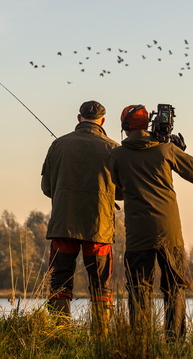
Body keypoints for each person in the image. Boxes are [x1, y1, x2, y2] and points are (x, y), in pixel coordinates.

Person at [109, 105, 193, 340]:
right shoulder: (166, 150)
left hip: (138, 233)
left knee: (138, 288)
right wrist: (179, 151)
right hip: (168, 230)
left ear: (125, 128)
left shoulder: (118, 155)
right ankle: (175, 340)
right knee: (174, 287)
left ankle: (140, 340)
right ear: (149, 124)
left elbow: (117, 192)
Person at [41, 100, 121, 334]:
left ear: (79, 118)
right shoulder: (113, 148)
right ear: (103, 121)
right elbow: (122, 191)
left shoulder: (58, 145)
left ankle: (59, 332)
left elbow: (46, 187)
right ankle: (101, 334)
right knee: (100, 284)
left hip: (63, 226)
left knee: (59, 282)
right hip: (100, 228)